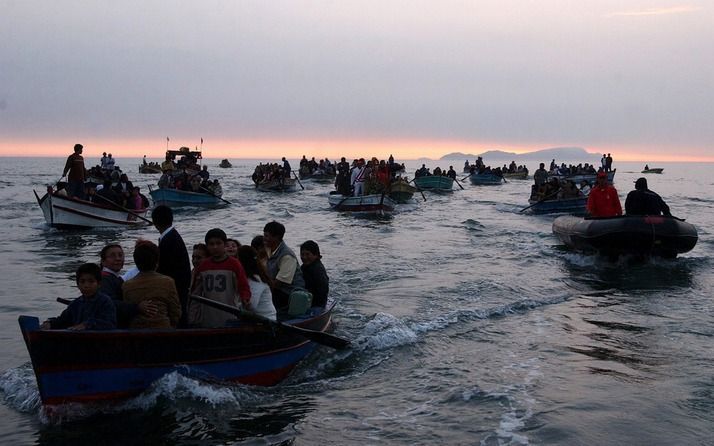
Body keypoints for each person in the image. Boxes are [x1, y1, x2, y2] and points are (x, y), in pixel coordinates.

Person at [190, 228, 252, 328]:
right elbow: (195, 293)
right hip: (208, 317)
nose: (215, 247)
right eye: (211, 244)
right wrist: (193, 318)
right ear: (207, 246)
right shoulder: (203, 266)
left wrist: (245, 298)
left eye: (218, 243)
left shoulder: (234, 264)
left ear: (224, 244)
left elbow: (243, 286)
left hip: (230, 314)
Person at [122, 241, 181, 329]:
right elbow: (175, 311)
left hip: (136, 332)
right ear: (157, 261)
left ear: (136, 262)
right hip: (163, 330)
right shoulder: (168, 282)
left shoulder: (127, 286)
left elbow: (127, 313)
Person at [41, 263, 116, 330]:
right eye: (82, 282)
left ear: (99, 284)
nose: (86, 285)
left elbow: (109, 323)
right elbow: (63, 320)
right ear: (77, 284)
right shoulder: (75, 304)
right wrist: (50, 323)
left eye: (91, 281)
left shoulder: (105, 301)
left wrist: (86, 325)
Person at [152, 205, 192, 327]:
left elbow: (165, 269)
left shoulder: (168, 240)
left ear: (154, 222)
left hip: (176, 290)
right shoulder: (172, 236)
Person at [263, 221, 306, 310]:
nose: (264, 238)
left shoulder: (287, 256)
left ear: (277, 237)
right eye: (264, 235)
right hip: (275, 288)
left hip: (289, 293)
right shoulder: (267, 249)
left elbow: (278, 284)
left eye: (267, 236)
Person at [237, 245, 277, 320]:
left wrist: (236, 304)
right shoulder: (251, 278)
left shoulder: (255, 280)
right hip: (254, 319)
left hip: (266, 320)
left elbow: (251, 306)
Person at [300, 240, 329, 308]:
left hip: (317, 304)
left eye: (307, 254)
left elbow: (323, 290)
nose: (304, 257)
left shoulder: (318, 269)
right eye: (302, 254)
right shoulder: (304, 267)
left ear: (315, 255)